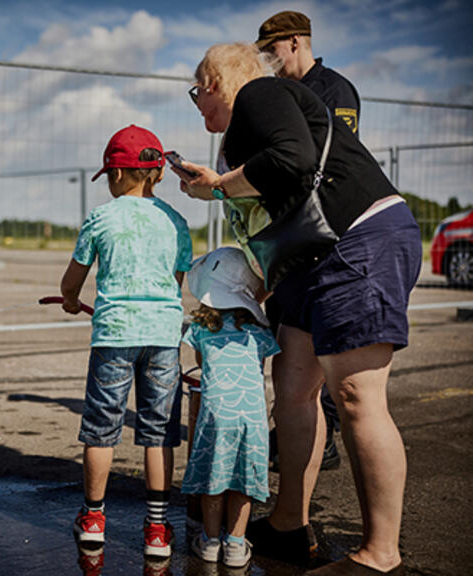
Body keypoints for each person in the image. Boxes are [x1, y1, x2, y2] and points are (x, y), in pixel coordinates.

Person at [171, 43, 420, 575]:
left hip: (355, 240)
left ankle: (380, 555)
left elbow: (293, 159)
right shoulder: (246, 132)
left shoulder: (261, 94)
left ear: (215, 82)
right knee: (292, 388)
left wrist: (217, 188)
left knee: (355, 395)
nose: (197, 105)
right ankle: (288, 524)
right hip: (309, 262)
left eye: (197, 92)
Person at [61, 124, 193, 559]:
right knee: (158, 434)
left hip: (114, 336)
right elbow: (174, 283)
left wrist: (69, 299)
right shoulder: (176, 221)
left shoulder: (101, 217)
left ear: (116, 175)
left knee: (101, 430)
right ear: (156, 174)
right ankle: (157, 529)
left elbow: (73, 278)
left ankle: (94, 519)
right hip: (162, 338)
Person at [257, 10, 363, 472]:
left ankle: (328, 434)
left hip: (325, 231)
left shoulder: (334, 90)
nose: (267, 59)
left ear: (297, 42)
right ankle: (292, 429)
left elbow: (326, 161)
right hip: (289, 232)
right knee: (285, 331)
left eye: (272, 50)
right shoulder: (279, 93)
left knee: (325, 340)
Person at [181, 247, 280, 569]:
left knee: (214, 481)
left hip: (214, 417)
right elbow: (260, 364)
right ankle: (236, 545)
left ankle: (210, 542)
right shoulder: (260, 331)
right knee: (242, 483)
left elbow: (200, 364)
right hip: (251, 418)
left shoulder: (200, 329)